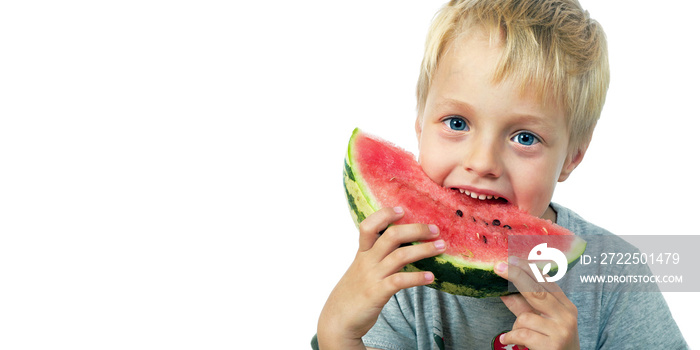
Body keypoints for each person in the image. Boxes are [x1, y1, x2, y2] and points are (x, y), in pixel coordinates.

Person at [315, 0, 688, 349]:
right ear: (419, 123)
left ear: (573, 155)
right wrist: (338, 334)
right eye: (457, 122)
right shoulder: (400, 271)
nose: (482, 162)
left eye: (525, 137)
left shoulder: (614, 276)